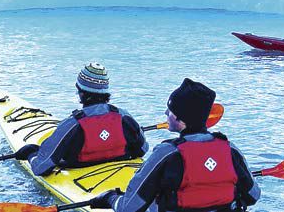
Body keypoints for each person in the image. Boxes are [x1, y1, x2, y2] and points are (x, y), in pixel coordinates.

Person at [91, 78, 261, 212]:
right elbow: (253, 196)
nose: (166, 113)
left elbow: (129, 208)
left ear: (180, 119)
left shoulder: (167, 153)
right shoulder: (230, 149)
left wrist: (111, 198)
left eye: (170, 110)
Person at [15, 63, 149, 176]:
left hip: (81, 175)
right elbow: (142, 149)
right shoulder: (124, 117)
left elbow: (41, 168)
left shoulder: (72, 124)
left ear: (82, 92)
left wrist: (31, 154)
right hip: (121, 173)